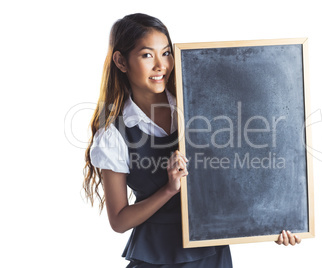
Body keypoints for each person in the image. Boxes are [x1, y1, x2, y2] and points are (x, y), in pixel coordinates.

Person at [83, 13, 301, 268]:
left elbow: (239, 181)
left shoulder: (204, 108)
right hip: (156, 257)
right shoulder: (114, 134)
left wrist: (272, 223)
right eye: (146, 55)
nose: (160, 65)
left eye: (165, 53)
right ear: (121, 61)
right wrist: (168, 189)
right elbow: (119, 221)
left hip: (212, 254)